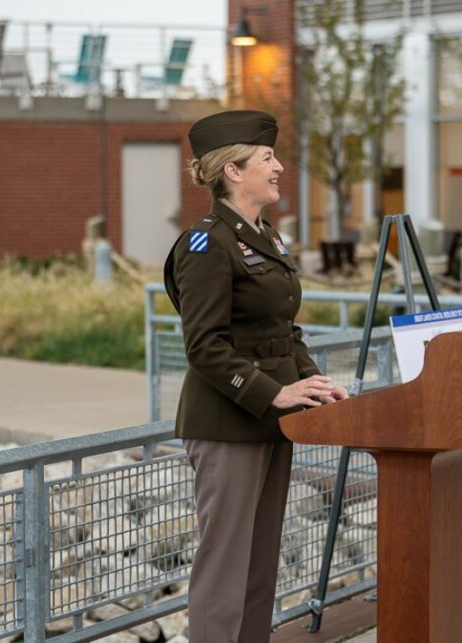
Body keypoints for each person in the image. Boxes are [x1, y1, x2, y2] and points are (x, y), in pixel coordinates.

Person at [164, 110, 348, 643]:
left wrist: (312, 383)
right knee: (224, 568)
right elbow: (204, 347)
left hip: (271, 420)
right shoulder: (205, 245)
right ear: (233, 171)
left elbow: (282, 330)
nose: (280, 167)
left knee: (259, 563)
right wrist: (274, 393)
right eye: (268, 159)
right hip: (226, 424)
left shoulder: (267, 237)